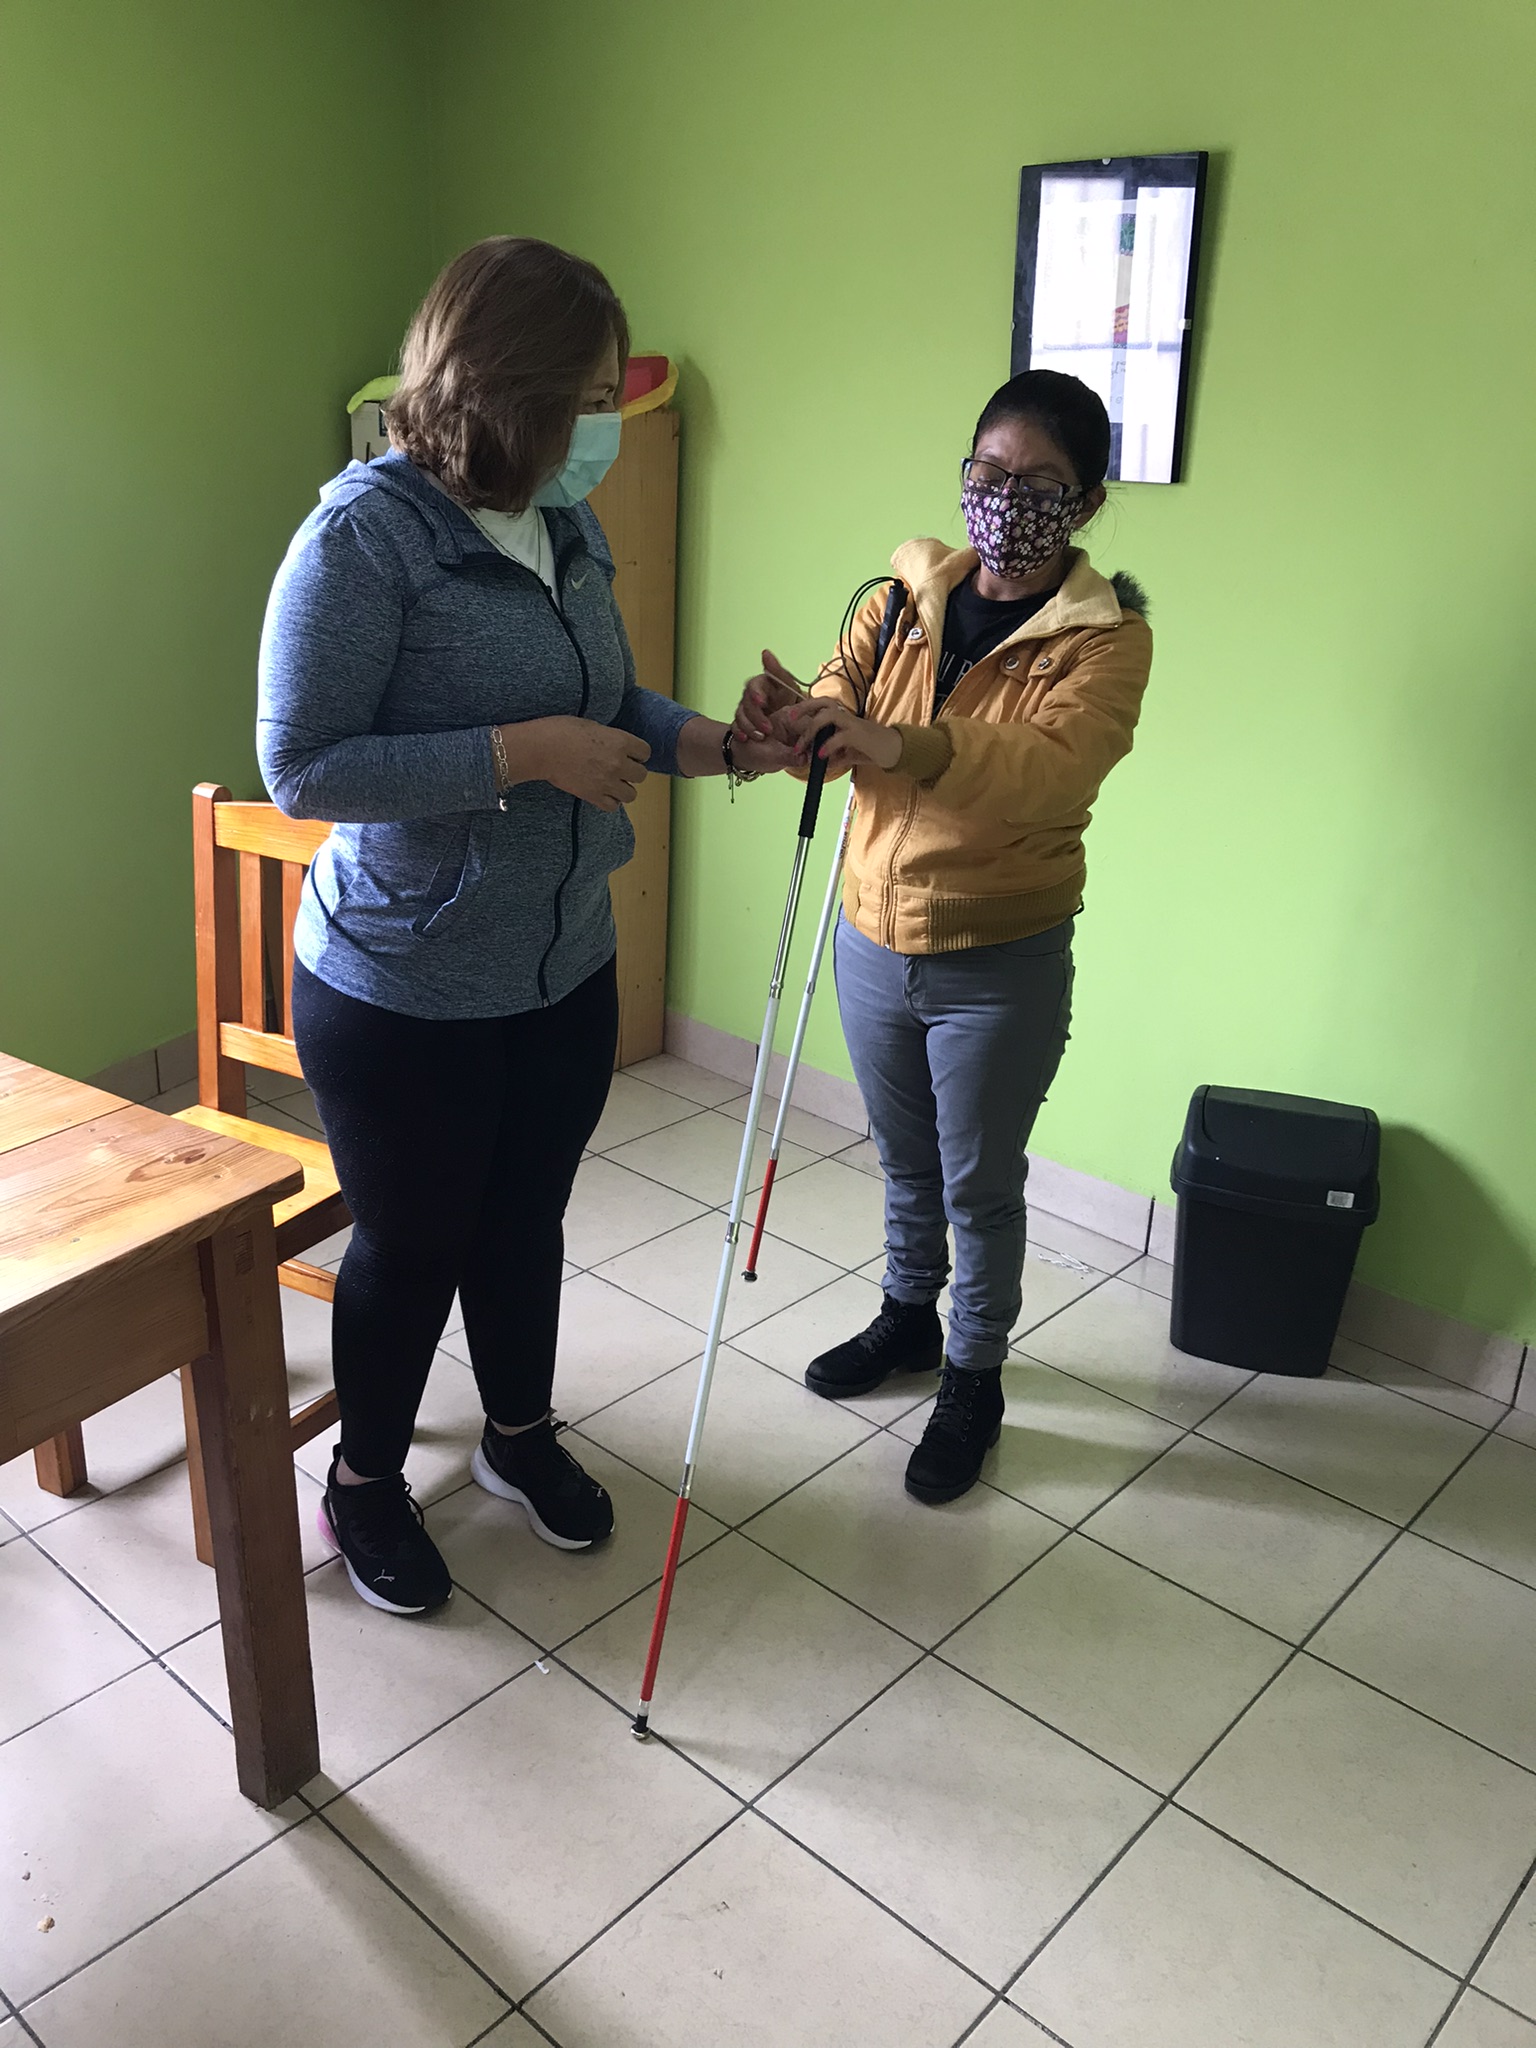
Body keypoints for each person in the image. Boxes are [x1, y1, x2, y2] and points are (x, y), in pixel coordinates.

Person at [259, 237, 795, 1615]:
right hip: (401, 985)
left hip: (561, 965)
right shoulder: (362, 538)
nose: (611, 425)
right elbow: (305, 766)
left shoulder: (565, 525)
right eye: (594, 396)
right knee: (413, 1239)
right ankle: (364, 1484)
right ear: (506, 393)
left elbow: (608, 706)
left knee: (525, 1223)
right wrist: (520, 752)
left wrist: (730, 746)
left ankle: (516, 1437)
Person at [739, 369, 1152, 1504]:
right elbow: (845, 692)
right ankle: (907, 1318)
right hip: (872, 934)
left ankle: (976, 1375)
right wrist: (799, 724)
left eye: (1037, 482)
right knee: (905, 1159)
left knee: (980, 1182)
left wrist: (894, 743)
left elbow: (1043, 772)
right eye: (987, 473)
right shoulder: (901, 597)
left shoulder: (1105, 642)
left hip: (997, 959)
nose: (1004, 498)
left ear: (1087, 503)